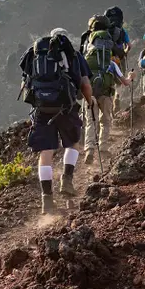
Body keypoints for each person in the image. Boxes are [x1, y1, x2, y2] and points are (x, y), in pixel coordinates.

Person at [19, 28, 94, 214]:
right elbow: (85, 84)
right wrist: (90, 102)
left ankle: (47, 200)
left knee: (46, 153)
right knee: (73, 143)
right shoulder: (73, 55)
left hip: (41, 110)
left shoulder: (35, 55)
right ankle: (67, 180)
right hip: (66, 108)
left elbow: (25, 84)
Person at [82, 16, 135, 164]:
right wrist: (131, 76)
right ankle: (103, 148)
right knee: (105, 121)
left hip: (90, 94)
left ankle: (89, 149)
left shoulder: (86, 60)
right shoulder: (111, 63)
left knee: (90, 122)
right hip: (106, 93)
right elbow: (124, 82)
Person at [104, 6, 132, 112]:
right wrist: (124, 52)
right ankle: (117, 98)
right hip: (119, 59)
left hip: (106, 59)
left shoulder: (104, 30)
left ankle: (109, 101)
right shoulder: (122, 31)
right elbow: (129, 46)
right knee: (119, 81)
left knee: (108, 81)